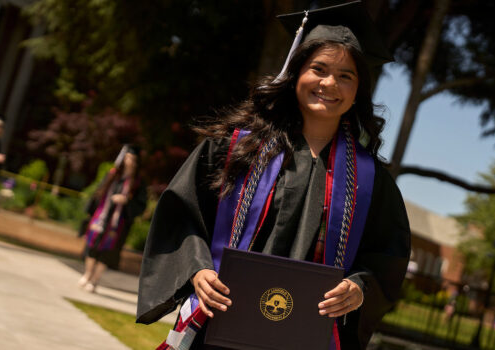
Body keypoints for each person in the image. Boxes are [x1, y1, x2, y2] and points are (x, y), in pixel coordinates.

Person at [136, 2, 411, 349]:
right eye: (319, 69)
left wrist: (359, 287)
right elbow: (182, 217)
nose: (330, 83)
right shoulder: (234, 150)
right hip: (221, 325)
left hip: (305, 338)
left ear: (358, 93)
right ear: (296, 73)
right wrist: (198, 270)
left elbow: (385, 257)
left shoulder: (370, 181)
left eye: (346, 76)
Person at [78, 145, 147, 292]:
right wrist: (90, 213)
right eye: (127, 157)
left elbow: (141, 205)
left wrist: (126, 201)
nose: (129, 161)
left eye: (132, 159)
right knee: (92, 246)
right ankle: (87, 274)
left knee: (108, 253)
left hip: (119, 224)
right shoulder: (113, 174)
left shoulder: (138, 182)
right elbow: (98, 192)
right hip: (101, 217)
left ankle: (94, 281)